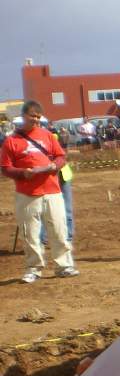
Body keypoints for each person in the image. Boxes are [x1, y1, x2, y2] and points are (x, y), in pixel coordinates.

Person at [0, 100, 79, 282]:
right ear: (23, 116)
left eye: (38, 117)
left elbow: (61, 156)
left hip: (52, 191)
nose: (35, 120)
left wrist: (54, 166)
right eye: (32, 116)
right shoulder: (12, 141)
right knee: (30, 233)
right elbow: (5, 168)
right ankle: (33, 268)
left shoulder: (48, 136)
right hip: (27, 194)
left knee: (59, 229)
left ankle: (64, 266)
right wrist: (22, 173)